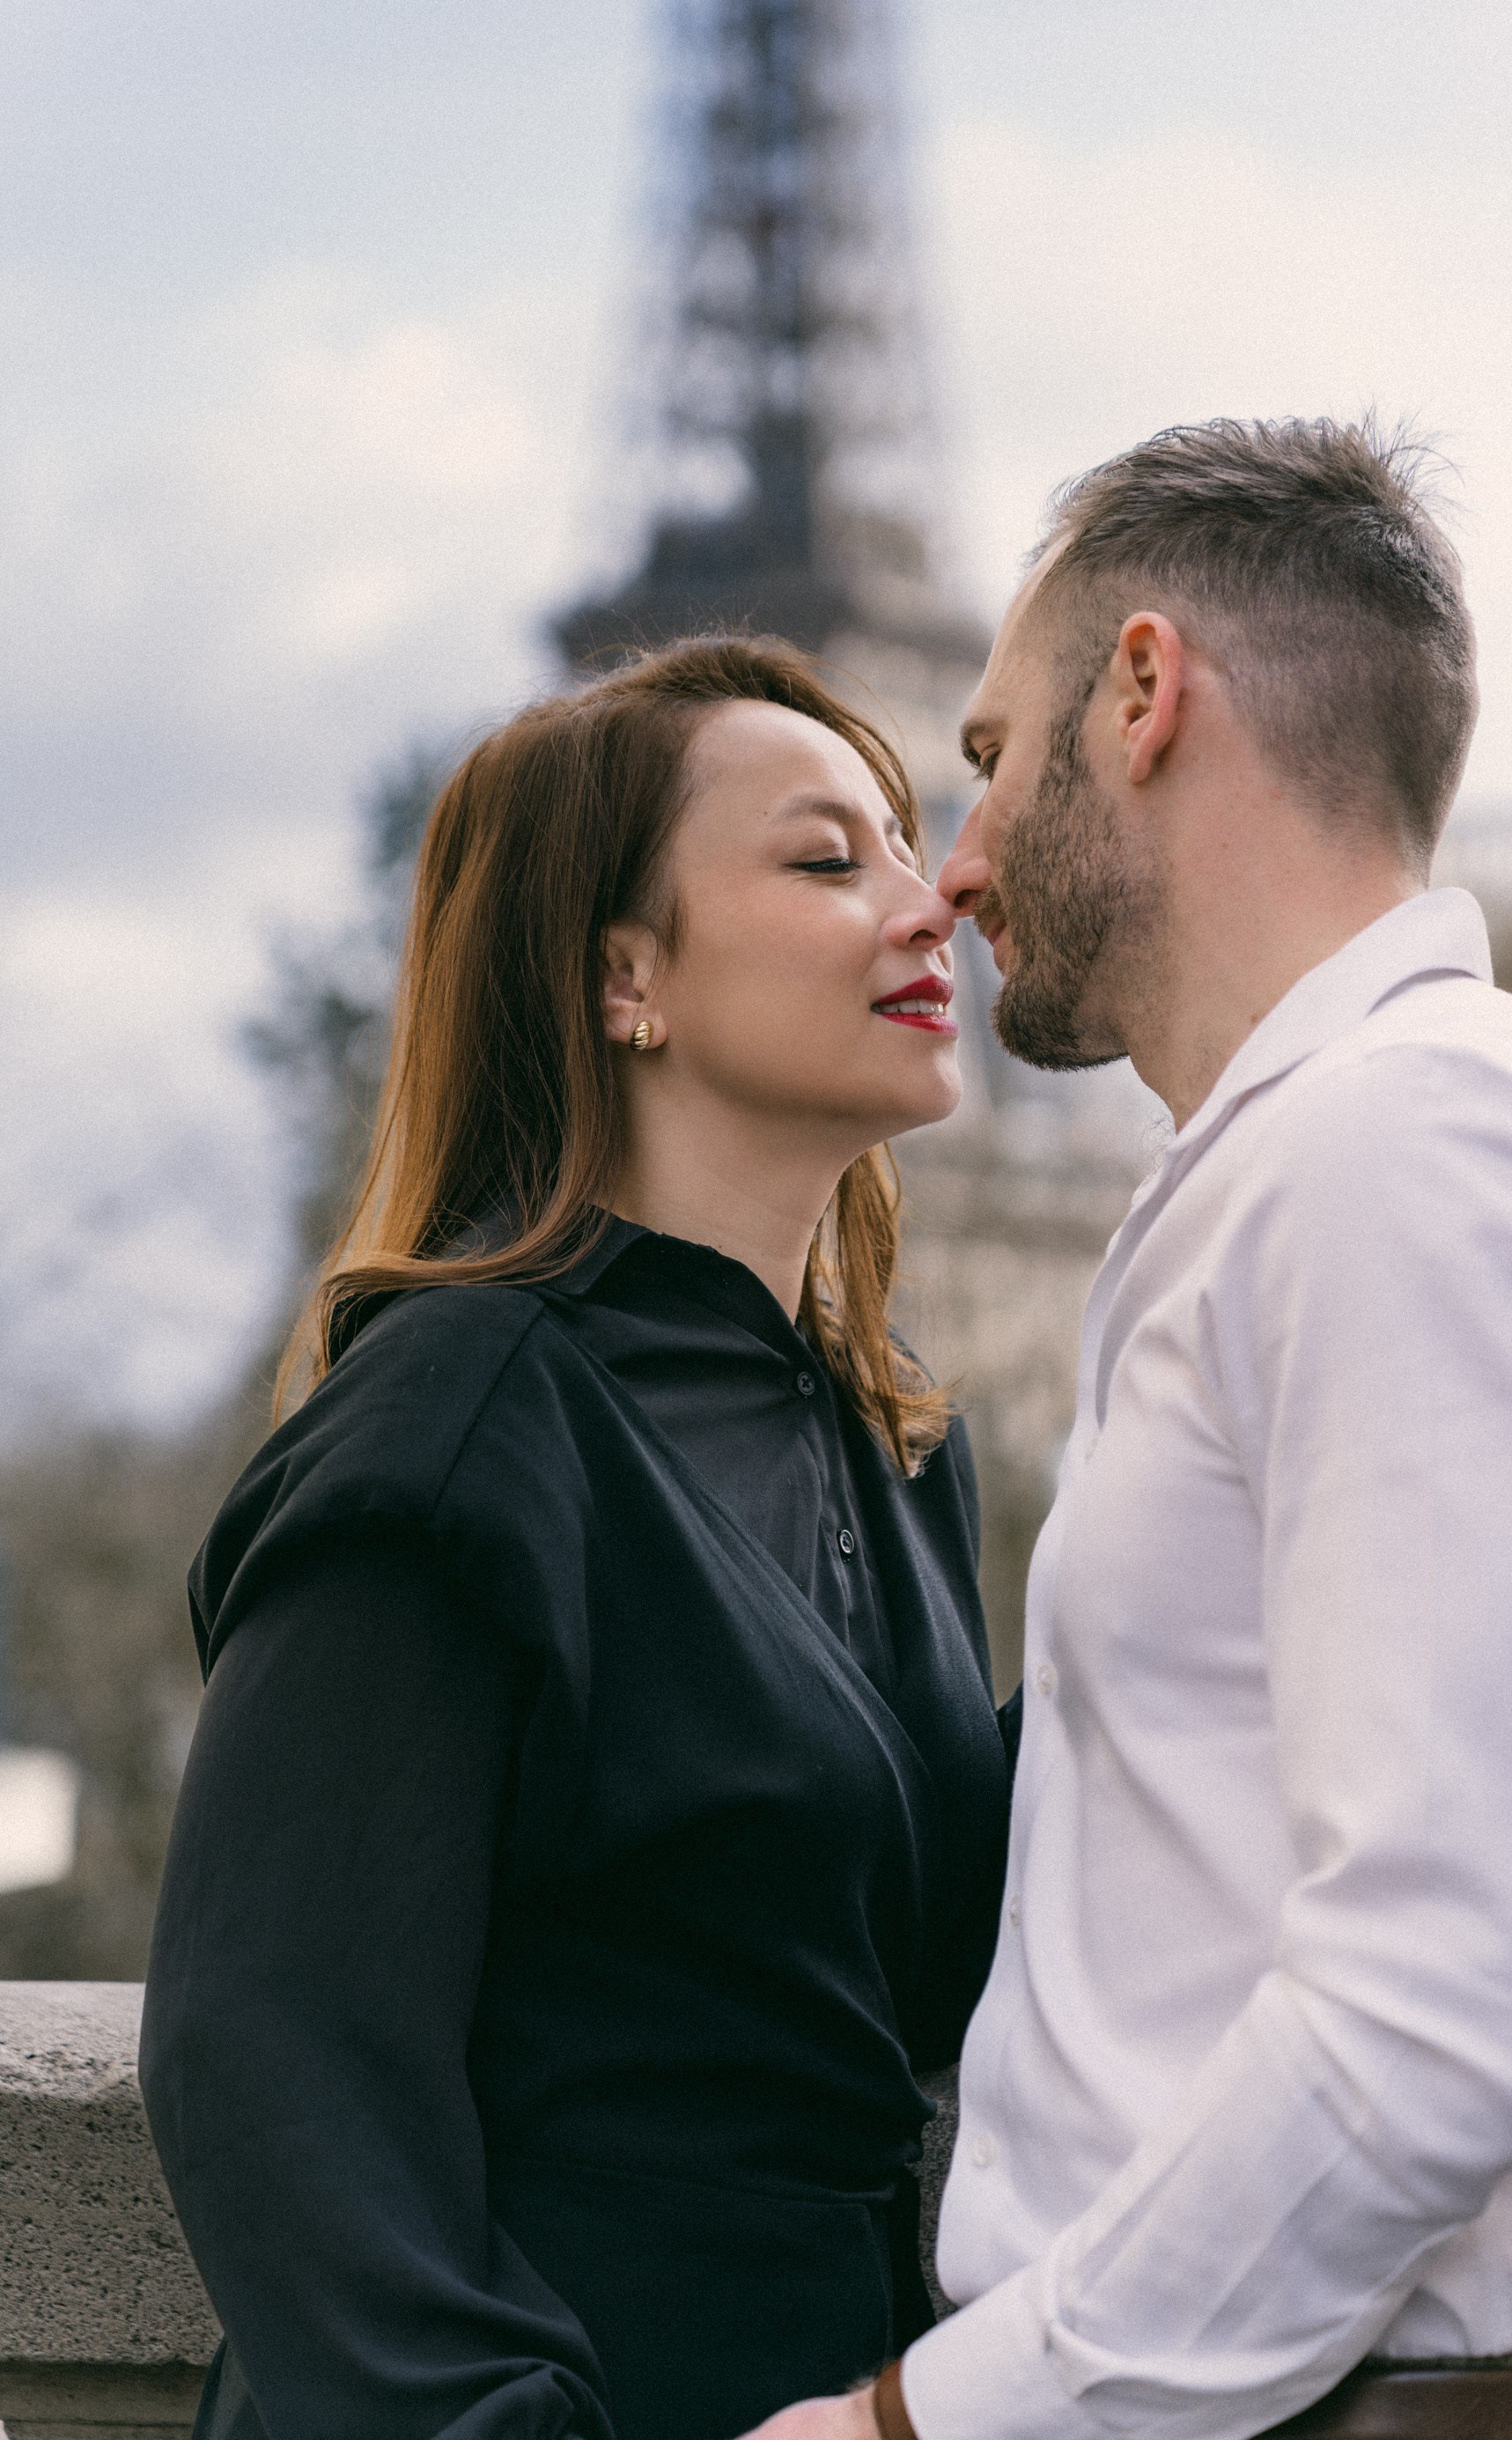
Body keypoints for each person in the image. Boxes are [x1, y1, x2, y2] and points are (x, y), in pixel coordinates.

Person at [746, 418, 1512, 2440]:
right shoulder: (1366, 1154)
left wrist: (929, 2422)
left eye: (987, 756)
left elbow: (1441, 2011)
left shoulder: (1411, 1152)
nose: (950, 864)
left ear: (1143, 692)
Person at [139, 637, 1016, 2440]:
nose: (931, 909)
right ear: (627, 975)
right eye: (826, 858)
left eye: (912, 848)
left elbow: (896, 1984)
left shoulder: (894, 1442)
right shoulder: (458, 1419)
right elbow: (269, 2044)